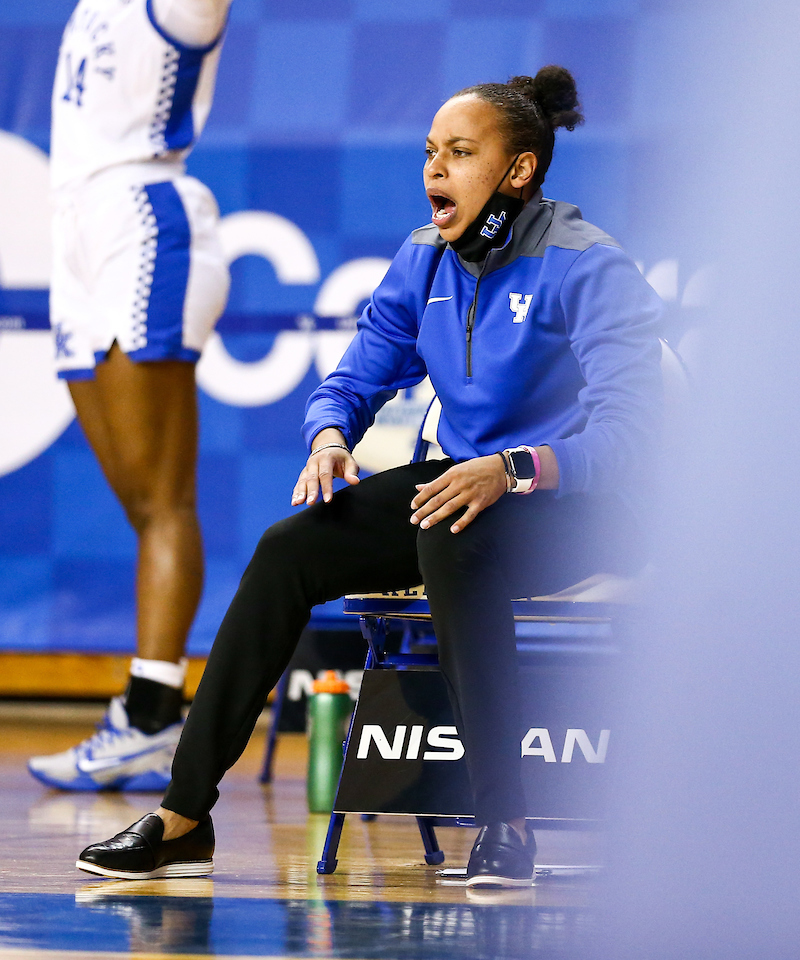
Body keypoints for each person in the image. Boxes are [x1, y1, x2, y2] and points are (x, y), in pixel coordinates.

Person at [76, 67, 663, 887]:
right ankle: (183, 814)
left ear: (519, 170)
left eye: (459, 152)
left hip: (580, 505)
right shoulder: (424, 258)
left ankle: (507, 823)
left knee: (450, 537)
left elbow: (634, 434)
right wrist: (327, 440)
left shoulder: (587, 265)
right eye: (430, 152)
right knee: (291, 550)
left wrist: (512, 468)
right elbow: (351, 382)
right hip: (462, 491)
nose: (434, 170)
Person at [27, 0, 260, 793]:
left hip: (144, 217)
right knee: (136, 499)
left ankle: (156, 709)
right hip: (76, 227)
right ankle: (151, 707)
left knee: (164, 499)